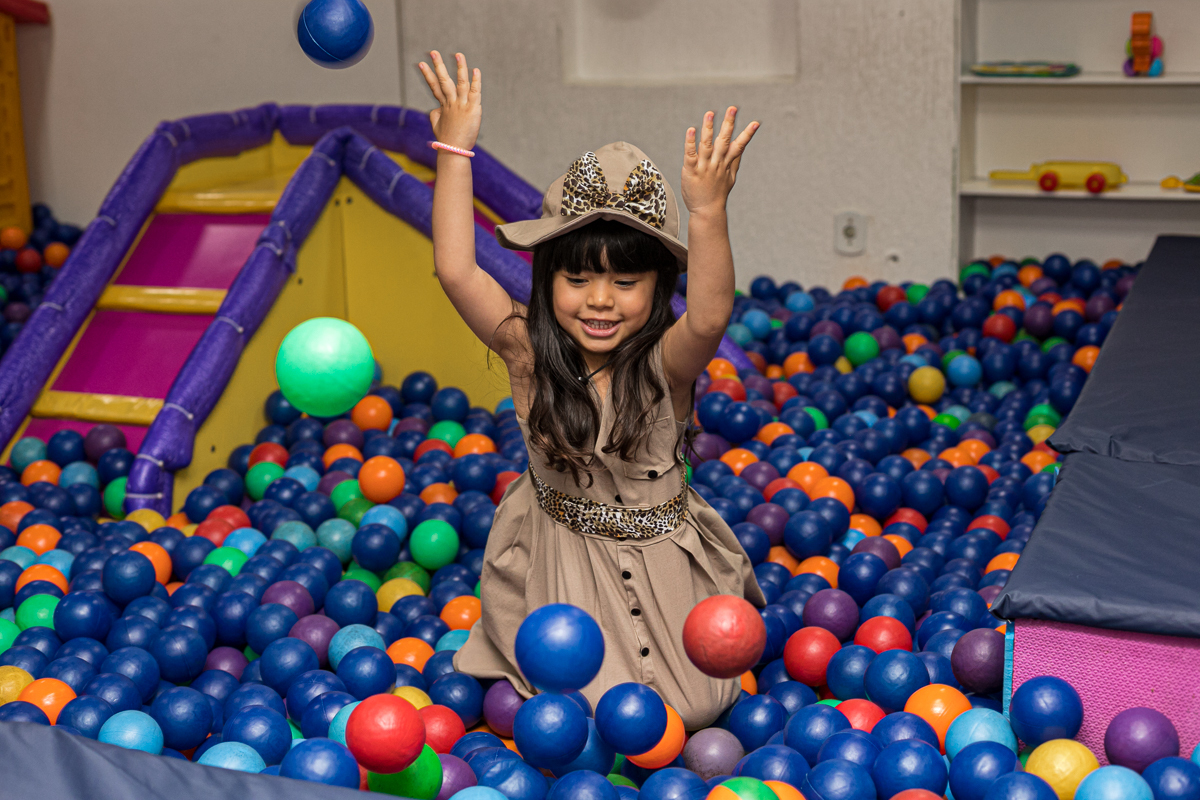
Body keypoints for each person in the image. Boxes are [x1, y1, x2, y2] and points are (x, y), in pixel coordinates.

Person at [417, 50, 764, 729]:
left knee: (696, 706)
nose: (600, 300)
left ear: (657, 289)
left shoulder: (664, 365)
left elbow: (710, 317)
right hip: (563, 560)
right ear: (546, 279)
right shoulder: (528, 352)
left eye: (625, 283)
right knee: (585, 712)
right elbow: (457, 272)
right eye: (577, 279)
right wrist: (454, 151)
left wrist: (708, 210)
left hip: (661, 564)